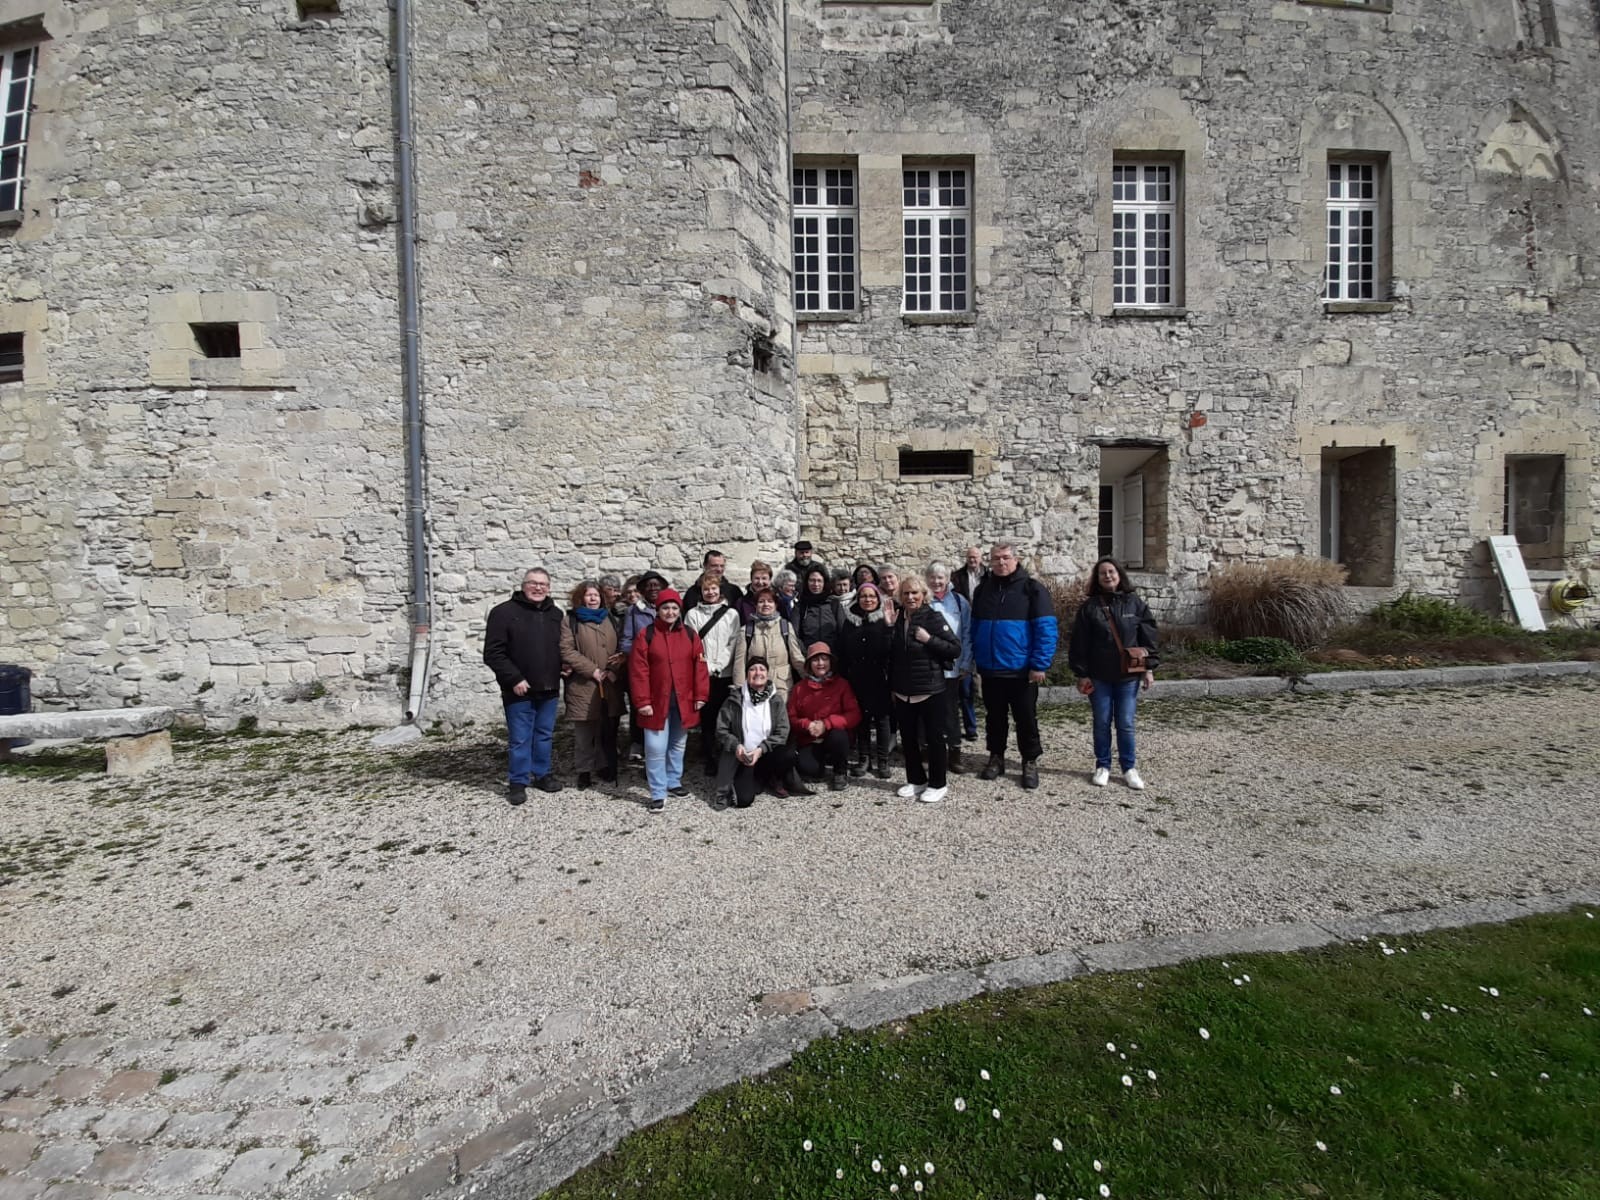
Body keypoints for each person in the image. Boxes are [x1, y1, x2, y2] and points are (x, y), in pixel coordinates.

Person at [970, 541, 1059, 790]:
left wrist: (1039, 664)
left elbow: (1046, 629)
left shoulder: (1032, 589)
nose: (1001, 562)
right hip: (990, 669)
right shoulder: (983, 590)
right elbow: (975, 626)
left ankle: (1029, 760)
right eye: (996, 558)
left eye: (1006, 558)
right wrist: (976, 657)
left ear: (1015, 559)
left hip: (1021, 671)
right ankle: (996, 757)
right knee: (994, 718)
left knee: (1026, 719)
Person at [1067, 556, 1159, 790]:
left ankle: (1129, 768)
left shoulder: (1135, 603)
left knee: (1126, 723)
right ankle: (1103, 766)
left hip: (1128, 677)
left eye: (1111, 572)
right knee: (1101, 722)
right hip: (1099, 677)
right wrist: (1082, 673)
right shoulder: (1090, 608)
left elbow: (1148, 637)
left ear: (1119, 575)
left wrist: (1149, 668)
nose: (1107, 576)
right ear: (1097, 579)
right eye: (1102, 573)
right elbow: (1079, 643)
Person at [482, 567, 565, 804]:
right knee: (520, 738)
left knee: (544, 735)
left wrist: (564, 666)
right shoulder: (504, 613)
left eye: (543, 584)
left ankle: (542, 774)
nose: (538, 588)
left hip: (548, 687)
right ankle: (518, 781)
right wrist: (514, 678)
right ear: (523, 585)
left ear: (549, 588)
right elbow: (493, 653)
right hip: (519, 689)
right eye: (533, 583)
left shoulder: (555, 614)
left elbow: (560, 648)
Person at [628, 588, 710, 813]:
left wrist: (701, 695)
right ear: (658, 609)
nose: (670, 612)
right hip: (655, 701)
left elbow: (700, 667)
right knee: (655, 747)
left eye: (674, 608)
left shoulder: (690, 635)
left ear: (679, 610)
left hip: (684, 700)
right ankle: (658, 791)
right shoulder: (646, 635)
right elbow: (638, 671)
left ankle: (673, 780)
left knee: (677, 744)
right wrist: (642, 701)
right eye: (666, 607)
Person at [889, 576, 962, 804]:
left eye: (915, 593)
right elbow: (890, 653)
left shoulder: (932, 617)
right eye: (906, 594)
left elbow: (954, 649)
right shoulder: (897, 619)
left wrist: (929, 639)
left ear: (923, 595)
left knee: (934, 738)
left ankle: (938, 783)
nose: (910, 597)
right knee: (908, 739)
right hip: (903, 690)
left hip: (930, 689)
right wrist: (888, 628)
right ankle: (916, 780)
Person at [559, 580, 625, 787]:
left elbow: (621, 649)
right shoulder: (570, 620)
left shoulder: (611, 619)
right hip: (583, 684)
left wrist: (613, 670)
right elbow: (567, 650)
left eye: (596, 595)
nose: (593, 598)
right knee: (585, 731)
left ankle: (603, 764)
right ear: (581, 598)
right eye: (589, 595)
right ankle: (584, 770)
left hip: (609, 683)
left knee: (605, 727)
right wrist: (592, 670)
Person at [713, 657, 797, 808]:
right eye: (752, 669)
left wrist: (761, 749)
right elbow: (721, 730)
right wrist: (736, 746)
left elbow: (783, 731)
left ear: (767, 674)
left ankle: (773, 777)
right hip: (744, 756)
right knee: (744, 800)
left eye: (762, 669)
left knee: (788, 754)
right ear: (746, 675)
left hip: (766, 753)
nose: (758, 672)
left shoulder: (776, 700)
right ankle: (754, 779)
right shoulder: (734, 699)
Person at [685, 574, 745, 776]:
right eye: (706, 589)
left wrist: (719, 665)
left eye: (713, 589)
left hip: (725, 674)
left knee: (727, 717)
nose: (710, 593)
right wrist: (707, 667)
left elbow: (733, 642)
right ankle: (710, 757)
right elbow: (692, 643)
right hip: (703, 674)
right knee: (708, 718)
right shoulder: (692, 615)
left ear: (720, 591)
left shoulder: (732, 615)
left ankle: (727, 755)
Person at [787, 642, 861, 792]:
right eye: (815, 660)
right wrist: (806, 724)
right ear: (809, 665)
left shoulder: (842, 685)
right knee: (810, 770)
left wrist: (826, 724)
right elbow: (791, 716)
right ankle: (820, 764)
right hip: (810, 738)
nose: (820, 663)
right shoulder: (799, 688)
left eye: (824, 659)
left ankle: (840, 772)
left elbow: (854, 715)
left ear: (831, 662)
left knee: (838, 735)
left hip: (833, 736)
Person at [839, 581, 893, 778]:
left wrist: (888, 628)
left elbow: (891, 649)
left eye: (871, 596)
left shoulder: (885, 620)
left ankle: (883, 760)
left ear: (877, 599)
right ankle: (864, 758)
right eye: (864, 596)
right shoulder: (849, 622)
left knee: (882, 720)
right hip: (857, 679)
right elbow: (843, 651)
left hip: (880, 678)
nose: (868, 600)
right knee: (861, 719)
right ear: (858, 599)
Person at [925, 562, 974, 774]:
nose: (936, 582)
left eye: (940, 578)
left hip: (952, 667)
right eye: (933, 577)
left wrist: (966, 663)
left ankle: (954, 752)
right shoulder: (922, 601)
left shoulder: (959, 601)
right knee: (926, 711)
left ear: (948, 579)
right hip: (927, 667)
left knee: (950, 711)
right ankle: (930, 751)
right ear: (927, 579)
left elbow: (967, 634)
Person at [742, 587, 808, 693]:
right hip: (755, 686)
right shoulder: (746, 630)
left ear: (776, 605)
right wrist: (739, 690)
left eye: (770, 601)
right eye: (761, 601)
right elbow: (740, 664)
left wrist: (811, 678)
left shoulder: (785, 626)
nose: (766, 604)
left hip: (782, 686)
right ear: (755, 605)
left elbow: (796, 657)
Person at [951, 546, 985, 739]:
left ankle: (971, 728)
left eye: (975, 557)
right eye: (970, 557)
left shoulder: (988, 576)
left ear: (980, 558)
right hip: (962, 624)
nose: (972, 560)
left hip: (980, 622)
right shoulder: (957, 577)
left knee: (967, 689)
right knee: (960, 689)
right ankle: (956, 729)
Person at [795, 563, 844, 655]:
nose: (816, 584)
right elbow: (794, 636)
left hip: (832, 657)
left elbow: (843, 632)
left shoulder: (834, 604)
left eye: (819, 581)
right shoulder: (800, 606)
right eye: (812, 580)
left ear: (824, 583)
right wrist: (805, 653)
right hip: (808, 657)